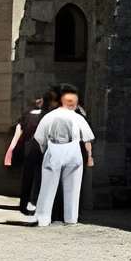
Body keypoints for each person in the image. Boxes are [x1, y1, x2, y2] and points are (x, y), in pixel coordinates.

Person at [29, 89, 97, 227]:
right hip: (73, 149)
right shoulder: (78, 118)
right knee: (73, 187)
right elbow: (87, 139)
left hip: (54, 148)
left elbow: (39, 138)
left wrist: (44, 151)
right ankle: (71, 218)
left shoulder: (49, 116)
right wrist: (90, 156)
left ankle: (43, 217)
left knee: (48, 186)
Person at [3, 91, 48, 213]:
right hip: (38, 149)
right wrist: (12, 147)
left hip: (31, 149)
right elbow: (19, 131)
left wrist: (12, 146)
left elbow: (19, 131)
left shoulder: (28, 115)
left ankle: (27, 202)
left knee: (30, 177)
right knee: (36, 177)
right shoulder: (44, 115)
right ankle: (31, 202)